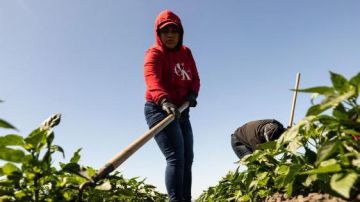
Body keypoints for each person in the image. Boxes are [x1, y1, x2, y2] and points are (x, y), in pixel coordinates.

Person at [143, 9, 200, 202]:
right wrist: (163, 100)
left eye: (174, 31)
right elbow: (152, 78)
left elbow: (195, 77)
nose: (169, 35)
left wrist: (193, 93)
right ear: (158, 34)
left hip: (181, 110)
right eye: (165, 31)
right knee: (176, 158)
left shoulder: (186, 52)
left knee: (188, 159)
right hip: (159, 109)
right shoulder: (154, 53)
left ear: (180, 33)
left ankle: (186, 199)